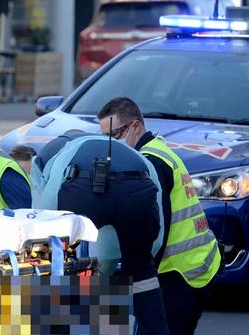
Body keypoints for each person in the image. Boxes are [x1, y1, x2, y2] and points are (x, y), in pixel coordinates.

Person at [98, 97, 221, 335]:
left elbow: (156, 229)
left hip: (181, 273)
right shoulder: (156, 149)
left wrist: (135, 275)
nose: (110, 144)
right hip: (195, 265)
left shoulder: (150, 162)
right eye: (105, 137)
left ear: (134, 127)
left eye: (114, 135)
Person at [32, 132, 169, 335]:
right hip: (138, 189)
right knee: (143, 273)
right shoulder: (136, 156)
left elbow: (47, 215)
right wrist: (135, 259)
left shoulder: (62, 156)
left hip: (83, 187)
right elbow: (155, 231)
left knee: (62, 266)